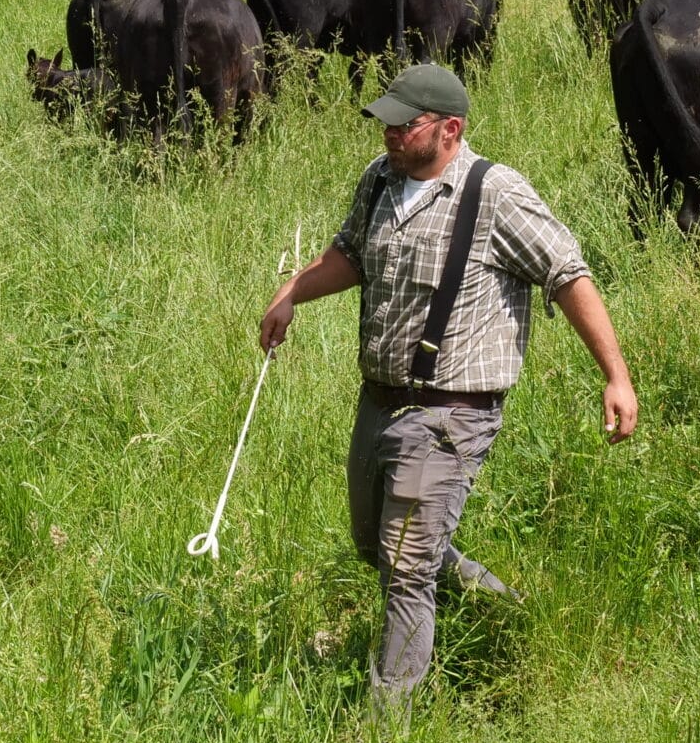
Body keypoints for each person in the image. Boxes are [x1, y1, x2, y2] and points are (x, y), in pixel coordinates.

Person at [259, 60, 637, 710]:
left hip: (449, 412)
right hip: (378, 401)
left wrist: (616, 376)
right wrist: (291, 293)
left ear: (450, 130)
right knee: (374, 543)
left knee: (405, 569)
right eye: (386, 122)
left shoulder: (496, 194)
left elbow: (567, 274)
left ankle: (382, 741)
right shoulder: (380, 181)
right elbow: (348, 255)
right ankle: (509, 616)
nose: (389, 135)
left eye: (405, 126)